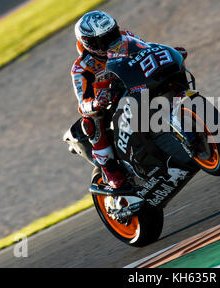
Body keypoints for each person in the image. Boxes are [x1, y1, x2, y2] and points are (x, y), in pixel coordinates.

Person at [71, 10, 187, 189]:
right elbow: (82, 104)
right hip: (107, 105)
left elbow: (146, 52)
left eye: (112, 34)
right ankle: (108, 167)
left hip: (133, 86)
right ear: (89, 43)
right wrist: (95, 103)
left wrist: (168, 55)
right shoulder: (81, 68)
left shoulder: (126, 37)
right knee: (90, 121)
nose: (111, 42)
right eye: (104, 40)